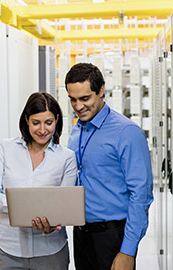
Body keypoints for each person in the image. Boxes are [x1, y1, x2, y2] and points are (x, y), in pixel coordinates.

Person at [65, 63, 154, 270]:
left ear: (101, 90)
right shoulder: (78, 129)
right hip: (81, 235)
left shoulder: (127, 133)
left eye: (85, 99)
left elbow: (141, 195)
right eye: (73, 100)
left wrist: (127, 251)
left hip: (112, 237)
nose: (78, 106)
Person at [0, 92, 77, 270]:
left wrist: (53, 220)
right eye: (36, 123)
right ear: (26, 120)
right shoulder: (5, 148)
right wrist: (23, 207)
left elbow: (65, 205)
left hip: (50, 252)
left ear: (57, 120)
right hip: (7, 250)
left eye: (48, 123)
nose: (42, 130)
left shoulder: (67, 158)